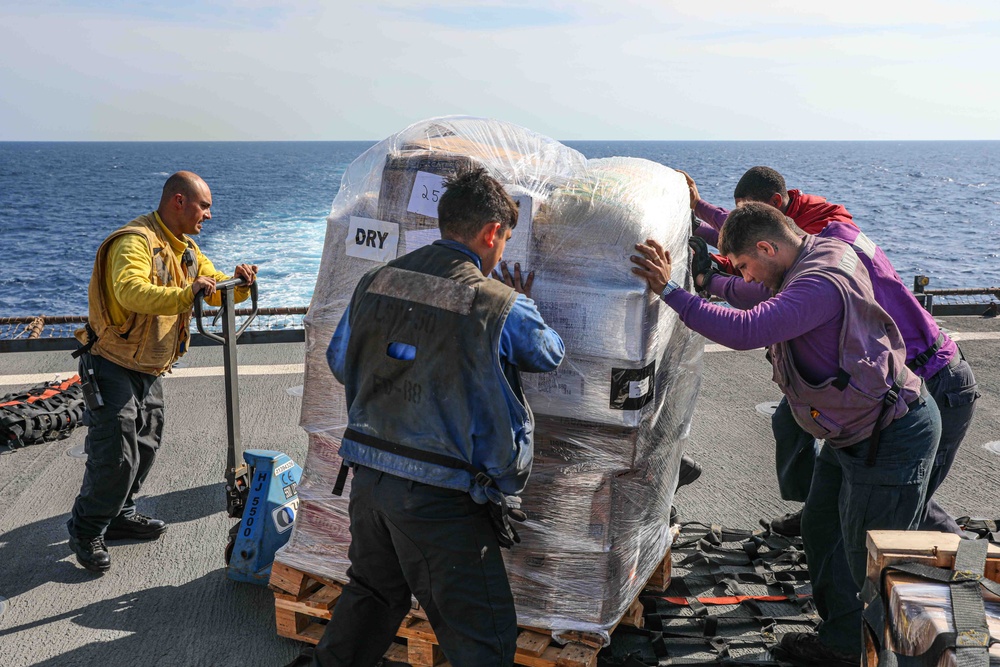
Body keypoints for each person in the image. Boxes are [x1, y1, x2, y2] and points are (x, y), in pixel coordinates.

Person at [631, 202, 941, 666]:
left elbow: (748, 328)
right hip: (853, 434)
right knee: (822, 527)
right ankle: (842, 641)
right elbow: (755, 293)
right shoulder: (811, 254)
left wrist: (670, 291)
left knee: (877, 565)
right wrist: (703, 247)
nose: (747, 277)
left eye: (745, 266)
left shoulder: (819, 280)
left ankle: (923, 652)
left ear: (766, 247)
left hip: (890, 435)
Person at [307, 167, 564, 667]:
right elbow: (549, 354)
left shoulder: (374, 282)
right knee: (483, 638)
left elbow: (341, 363)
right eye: (504, 240)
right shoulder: (498, 304)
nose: (502, 253)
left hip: (370, 484)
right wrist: (520, 299)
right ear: (492, 233)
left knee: (372, 600)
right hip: (442, 501)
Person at [687, 166, 978, 537]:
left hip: (930, 377)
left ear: (775, 215)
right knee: (801, 435)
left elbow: (760, 306)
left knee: (904, 509)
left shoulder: (825, 253)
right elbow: (747, 235)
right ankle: (823, 512)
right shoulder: (818, 235)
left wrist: (706, 282)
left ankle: (967, 569)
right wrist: (699, 214)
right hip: (882, 376)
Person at [68, 171, 257, 573]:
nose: (208, 214)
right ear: (178, 201)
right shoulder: (135, 241)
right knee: (115, 453)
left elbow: (216, 283)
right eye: (203, 206)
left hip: (149, 365)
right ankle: (86, 530)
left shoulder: (185, 249)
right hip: (112, 363)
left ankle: (119, 513)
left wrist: (239, 285)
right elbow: (130, 291)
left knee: (146, 445)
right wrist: (187, 293)